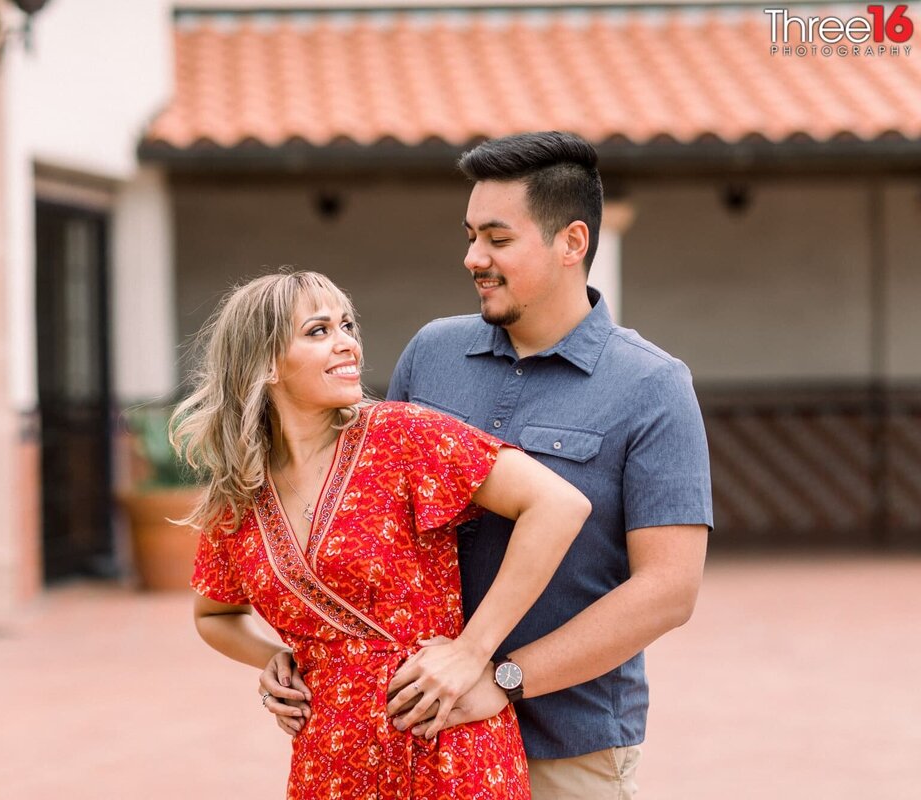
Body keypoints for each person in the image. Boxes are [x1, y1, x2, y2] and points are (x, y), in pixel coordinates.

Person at [261, 132, 713, 799]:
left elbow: (667, 591)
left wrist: (499, 673)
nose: (474, 257)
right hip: (413, 740)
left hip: (568, 751)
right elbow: (365, 526)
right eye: (471, 235)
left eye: (498, 240)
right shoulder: (432, 354)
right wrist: (298, 651)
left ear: (572, 243)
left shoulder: (652, 386)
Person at [175, 270, 591, 799]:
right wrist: (272, 660)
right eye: (318, 331)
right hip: (328, 761)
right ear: (264, 363)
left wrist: (471, 651)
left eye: (347, 325)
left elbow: (558, 505)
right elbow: (214, 615)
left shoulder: (398, 435)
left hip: (447, 746)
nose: (348, 342)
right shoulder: (238, 498)